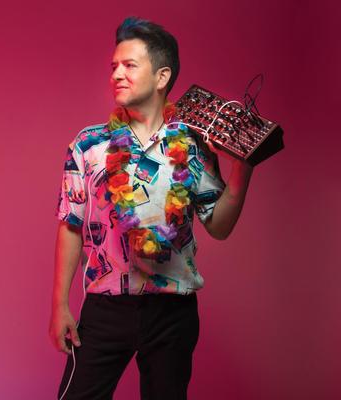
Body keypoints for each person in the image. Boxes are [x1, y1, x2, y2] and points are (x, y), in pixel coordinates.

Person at [49, 16, 253, 400]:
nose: (116, 74)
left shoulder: (193, 145)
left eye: (129, 65)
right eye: (114, 66)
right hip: (106, 308)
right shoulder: (88, 145)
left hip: (172, 312)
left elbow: (220, 226)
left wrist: (242, 171)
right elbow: (70, 224)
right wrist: (60, 305)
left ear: (162, 77)